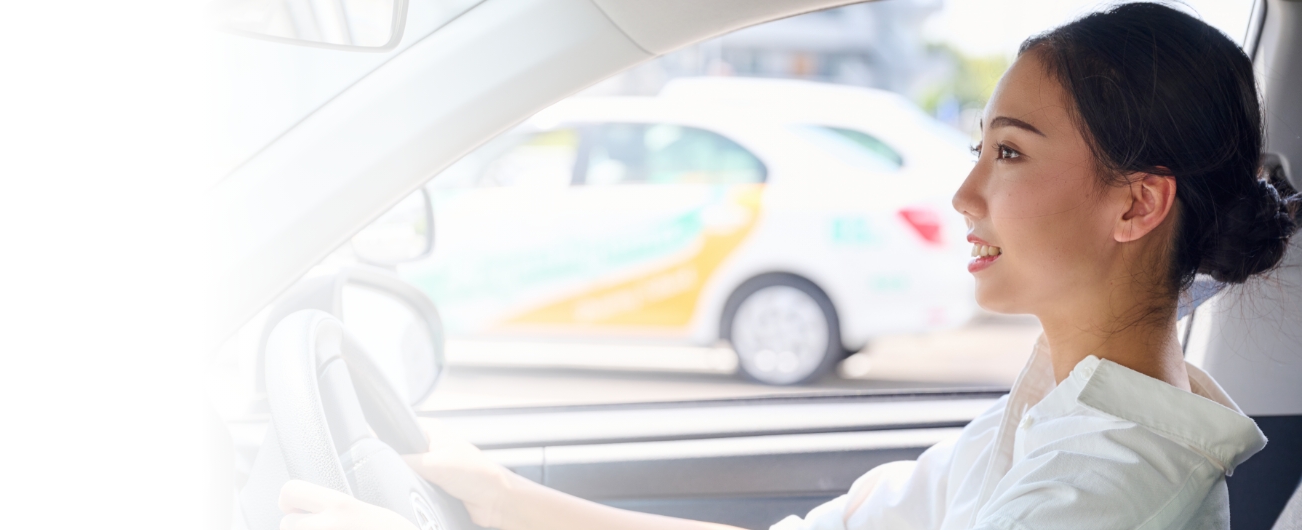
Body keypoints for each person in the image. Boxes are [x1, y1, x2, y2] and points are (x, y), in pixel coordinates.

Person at [276, 3, 1301, 529]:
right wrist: (507, 498)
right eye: (978, 146)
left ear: (1135, 203)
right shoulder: (1063, 407)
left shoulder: (1099, 488)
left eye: (1009, 153)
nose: (963, 193)